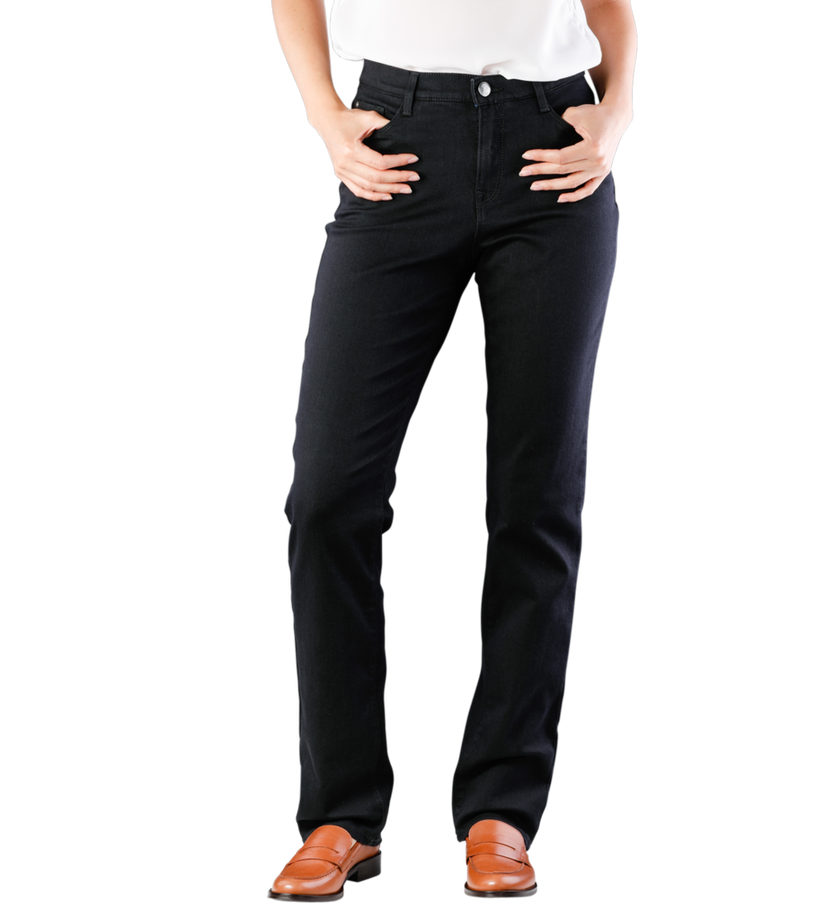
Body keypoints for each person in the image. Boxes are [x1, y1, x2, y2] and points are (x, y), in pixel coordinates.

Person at [264, 0, 638, 903]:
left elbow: (608, 5)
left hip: (551, 155)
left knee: (536, 498)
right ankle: (341, 815)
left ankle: (500, 812)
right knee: (327, 497)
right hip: (397, 144)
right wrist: (326, 116)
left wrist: (615, 113)